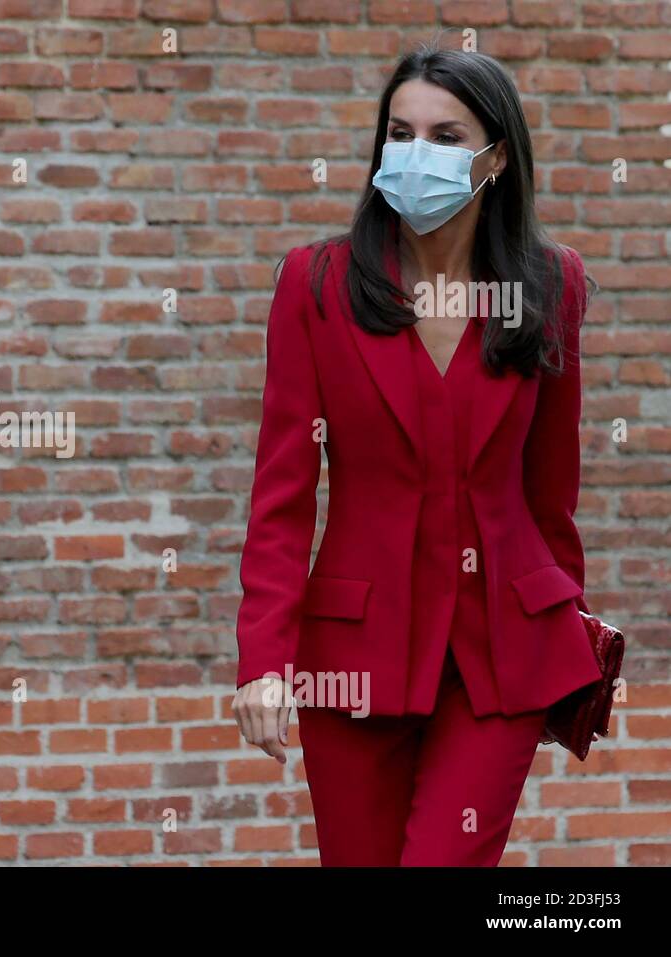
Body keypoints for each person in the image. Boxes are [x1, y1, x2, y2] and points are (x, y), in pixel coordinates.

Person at [230, 45, 601, 867]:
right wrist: (265, 660)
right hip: (354, 666)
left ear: (495, 157)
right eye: (400, 134)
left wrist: (568, 632)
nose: (415, 154)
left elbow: (551, 496)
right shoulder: (317, 286)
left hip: (499, 660)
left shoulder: (551, 287)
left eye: (444, 134)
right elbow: (283, 497)